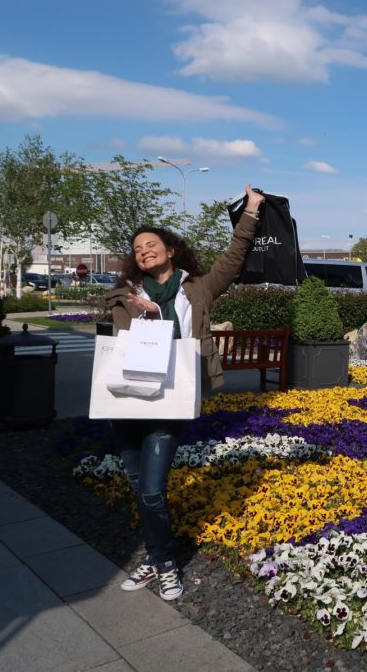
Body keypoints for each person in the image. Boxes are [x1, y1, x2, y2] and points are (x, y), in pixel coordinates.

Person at [103, 184, 264, 600]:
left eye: (151, 245)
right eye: (138, 249)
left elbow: (233, 259)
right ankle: (158, 559)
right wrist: (136, 317)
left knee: (153, 489)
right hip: (126, 401)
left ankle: (165, 563)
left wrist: (251, 211)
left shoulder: (197, 289)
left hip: (170, 396)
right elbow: (115, 348)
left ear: (170, 249)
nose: (144, 252)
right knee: (139, 486)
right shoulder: (125, 295)